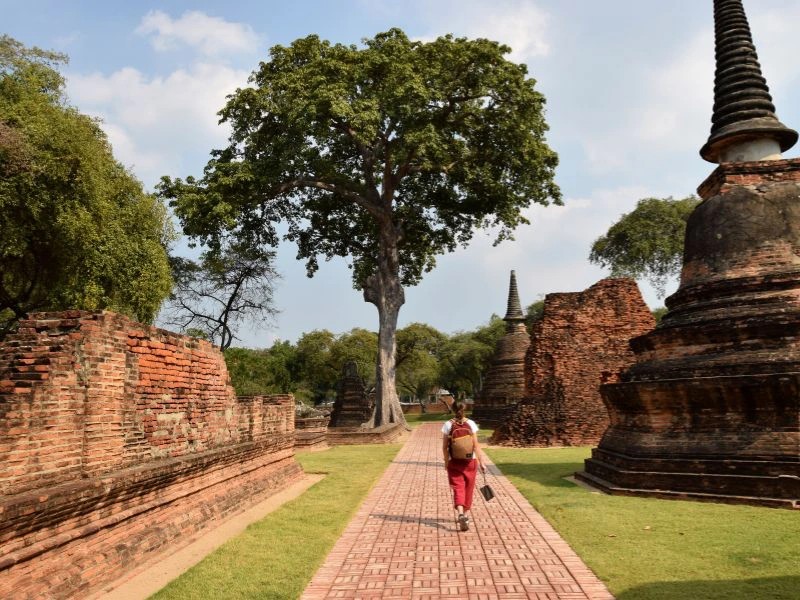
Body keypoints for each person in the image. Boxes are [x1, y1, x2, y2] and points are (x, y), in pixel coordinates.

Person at [442, 401, 486, 531]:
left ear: (453, 409)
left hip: (454, 462)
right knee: (468, 488)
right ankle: (465, 515)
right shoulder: (471, 424)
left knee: (458, 488)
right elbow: (476, 446)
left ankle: (460, 513)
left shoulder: (448, 424)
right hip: (470, 462)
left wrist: (446, 462)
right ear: (464, 409)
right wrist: (482, 462)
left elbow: (444, 447)